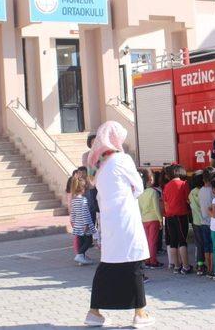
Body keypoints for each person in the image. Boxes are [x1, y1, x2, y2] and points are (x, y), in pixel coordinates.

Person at [84, 121, 154, 328]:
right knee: (134, 263)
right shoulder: (122, 159)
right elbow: (139, 187)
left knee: (108, 265)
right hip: (126, 218)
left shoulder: (98, 166)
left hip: (108, 221)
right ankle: (140, 313)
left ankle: (94, 312)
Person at [162, 165, 192, 275]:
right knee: (182, 241)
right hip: (181, 215)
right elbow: (188, 199)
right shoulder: (184, 184)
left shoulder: (166, 186)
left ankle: (176, 266)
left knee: (173, 241)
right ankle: (186, 266)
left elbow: (165, 202)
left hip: (169, 216)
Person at [138, 167, 164, 269]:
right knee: (153, 241)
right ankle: (153, 261)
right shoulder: (153, 192)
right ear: (150, 179)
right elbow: (156, 207)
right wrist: (161, 220)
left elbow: (139, 208)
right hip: (153, 219)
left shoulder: (140, 193)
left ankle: (147, 260)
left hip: (144, 219)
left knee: (147, 241)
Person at [70, 176, 96, 266]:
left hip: (77, 224)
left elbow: (72, 213)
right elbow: (85, 213)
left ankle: (82, 258)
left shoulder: (73, 200)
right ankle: (80, 255)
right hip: (85, 225)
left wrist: (73, 222)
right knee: (89, 241)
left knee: (81, 241)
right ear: (82, 189)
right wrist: (86, 224)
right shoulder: (83, 200)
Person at [199, 167, 215, 276]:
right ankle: (213, 269)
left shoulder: (201, 190)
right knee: (213, 246)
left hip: (203, 221)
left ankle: (208, 267)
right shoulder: (213, 191)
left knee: (206, 246)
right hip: (212, 222)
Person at [189, 171, 206, 275]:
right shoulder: (205, 191)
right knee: (208, 243)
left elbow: (192, 206)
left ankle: (200, 265)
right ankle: (209, 263)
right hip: (206, 222)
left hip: (196, 222)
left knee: (199, 244)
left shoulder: (191, 193)